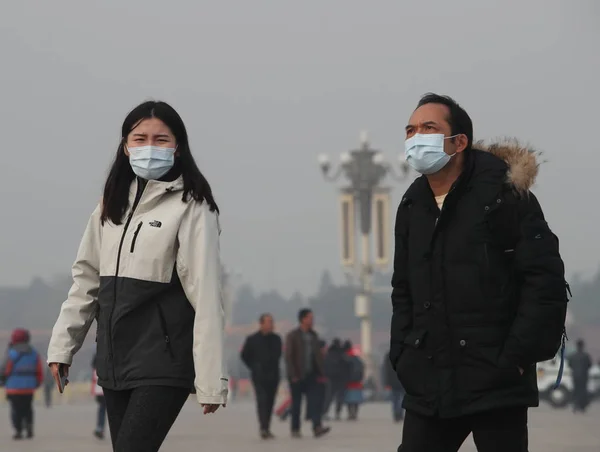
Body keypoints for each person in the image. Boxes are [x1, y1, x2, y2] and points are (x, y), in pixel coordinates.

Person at [390, 94, 568, 452]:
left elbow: (544, 281)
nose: (415, 137)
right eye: (410, 130)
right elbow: (403, 290)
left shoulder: (504, 196)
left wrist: (515, 358)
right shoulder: (413, 206)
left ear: (459, 142)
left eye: (429, 128)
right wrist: (403, 355)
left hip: (496, 380)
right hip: (430, 381)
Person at [46, 100, 228, 452]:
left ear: (178, 148)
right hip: (115, 360)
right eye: (140, 138)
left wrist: (211, 381)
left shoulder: (193, 206)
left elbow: (206, 295)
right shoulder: (110, 204)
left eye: (161, 139)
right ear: (126, 146)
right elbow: (86, 281)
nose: (149, 147)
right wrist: (62, 347)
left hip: (163, 361)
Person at [284, 308, 331, 438]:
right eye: (310, 318)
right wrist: (292, 375)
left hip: (313, 375)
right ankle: (295, 428)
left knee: (315, 401)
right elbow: (289, 356)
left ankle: (317, 427)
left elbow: (317, 356)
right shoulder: (292, 336)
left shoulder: (314, 336)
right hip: (297, 375)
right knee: (296, 404)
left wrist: (321, 371)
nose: (312, 320)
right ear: (303, 319)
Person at [240, 313, 282, 439]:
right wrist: (254, 366)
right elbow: (244, 356)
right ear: (261, 323)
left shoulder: (277, 339)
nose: (271, 324)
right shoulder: (252, 339)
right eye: (268, 322)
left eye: (272, 321)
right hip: (259, 376)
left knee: (270, 402)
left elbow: (278, 355)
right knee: (262, 401)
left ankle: (267, 427)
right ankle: (263, 427)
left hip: (273, 375)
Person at [0, 329, 44, 440]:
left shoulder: (11, 353)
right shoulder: (34, 353)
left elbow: (5, 369)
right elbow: (39, 369)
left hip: (13, 388)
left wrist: (2, 381)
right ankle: (29, 427)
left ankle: (18, 430)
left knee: (16, 409)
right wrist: (37, 382)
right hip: (29, 387)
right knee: (28, 408)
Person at [323, 338, 350, 420]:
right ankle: (338, 413)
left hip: (330, 378)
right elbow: (348, 366)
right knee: (340, 397)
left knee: (329, 397)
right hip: (341, 379)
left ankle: (325, 412)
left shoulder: (328, 354)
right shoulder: (343, 354)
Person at [568, 339, 592, 413]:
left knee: (575, 390)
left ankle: (575, 406)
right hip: (584, 376)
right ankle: (582, 407)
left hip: (575, 376)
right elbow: (589, 365)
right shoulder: (586, 356)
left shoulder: (572, 356)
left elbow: (570, 365)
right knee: (583, 391)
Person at [343, 341, 364, 421]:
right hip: (357, 383)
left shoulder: (346, 358)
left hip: (348, 382)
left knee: (349, 400)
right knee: (356, 400)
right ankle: (355, 413)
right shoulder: (358, 359)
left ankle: (350, 414)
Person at [382, 350, 404, 422]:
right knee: (401, 398)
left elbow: (386, 371)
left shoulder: (388, 356)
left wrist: (387, 382)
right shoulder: (403, 354)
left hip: (393, 381)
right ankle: (400, 413)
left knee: (395, 399)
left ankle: (396, 413)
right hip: (402, 380)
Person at [91, 353, 107, 439]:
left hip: (101, 385)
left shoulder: (98, 352)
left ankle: (100, 428)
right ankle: (100, 428)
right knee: (103, 407)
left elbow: (93, 366)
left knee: (102, 408)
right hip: (102, 385)